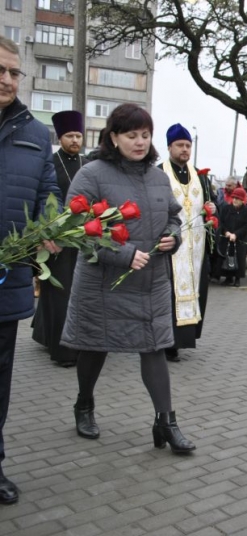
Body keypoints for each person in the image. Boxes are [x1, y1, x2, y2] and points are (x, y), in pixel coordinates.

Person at [60, 103, 195, 454]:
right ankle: (84, 404)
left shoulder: (157, 176)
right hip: (103, 282)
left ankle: (166, 422)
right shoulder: (91, 174)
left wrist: (172, 236)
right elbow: (75, 229)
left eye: (145, 135)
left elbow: (173, 218)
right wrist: (120, 254)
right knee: (95, 344)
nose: (140, 142)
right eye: (131, 135)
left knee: (154, 347)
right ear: (114, 137)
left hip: (149, 280)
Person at [0, 35, 62, 505]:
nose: (6, 80)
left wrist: (49, 229)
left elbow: (46, 196)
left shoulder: (37, 133)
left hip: (9, 276)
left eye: (13, 73)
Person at [31, 110, 87, 367]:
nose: (75, 140)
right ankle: (62, 350)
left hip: (86, 240)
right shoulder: (50, 164)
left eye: (78, 135)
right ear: (60, 137)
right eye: (69, 136)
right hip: (58, 240)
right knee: (59, 293)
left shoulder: (88, 165)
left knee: (81, 293)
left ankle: (79, 341)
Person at [158, 123, 215, 362]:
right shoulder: (159, 173)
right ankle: (168, 343)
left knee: (194, 289)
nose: (185, 150)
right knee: (168, 294)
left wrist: (212, 208)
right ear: (170, 146)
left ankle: (185, 339)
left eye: (188, 145)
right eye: (180, 145)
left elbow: (209, 206)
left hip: (196, 246)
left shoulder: (199, 176)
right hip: (171, 245)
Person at [217, 186, 247, 287]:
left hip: (239, 239)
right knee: (227, 257)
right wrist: (226, 232)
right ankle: (228, 277)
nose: (235, 200)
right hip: (227, 237)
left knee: (238, 258)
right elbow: (221, 222)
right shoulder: (226, 209)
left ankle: (237, 278)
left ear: (242, 200)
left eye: (238, 199)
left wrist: (236, 234)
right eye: (234, 198)